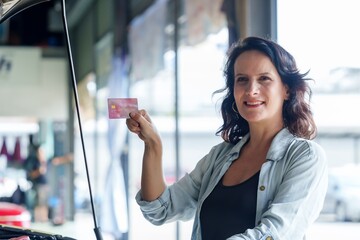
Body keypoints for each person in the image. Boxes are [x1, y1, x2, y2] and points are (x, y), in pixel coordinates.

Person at [126, 36, 328, 240]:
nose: (251, 90)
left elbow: (273, 235)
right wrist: (153, 145)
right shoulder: (219, 157)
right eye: (242, 79)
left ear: (286, 89)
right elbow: (161, 209)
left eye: (264, 79)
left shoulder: (306, 156)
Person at [24, 134, 48, 222]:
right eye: (39, 152)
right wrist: (37, 172)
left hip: (42, 184)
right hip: (38, 184)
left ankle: (43, 218)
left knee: (42, 202)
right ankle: (39, 218)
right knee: (38, 202)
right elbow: (33, 173)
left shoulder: (42, 162)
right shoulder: (35, 162)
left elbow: (42, 171)